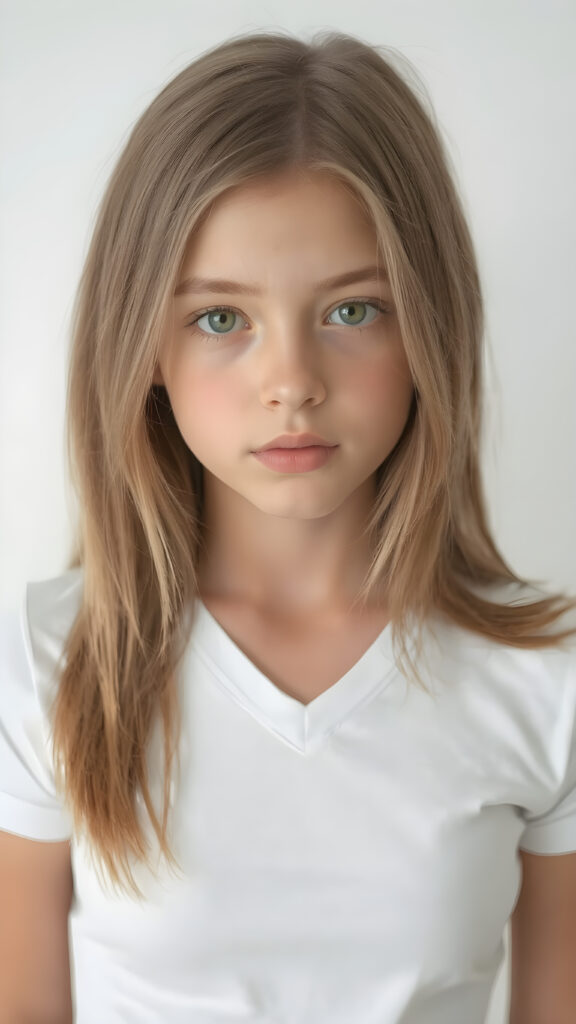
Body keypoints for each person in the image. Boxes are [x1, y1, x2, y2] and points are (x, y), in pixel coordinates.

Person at [1, 29, 575, 1024]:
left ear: (428, 326)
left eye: (354, 311)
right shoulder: (49, 660)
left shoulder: (547, 673)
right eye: (221, 319)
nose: (293, 385)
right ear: (142, 345)